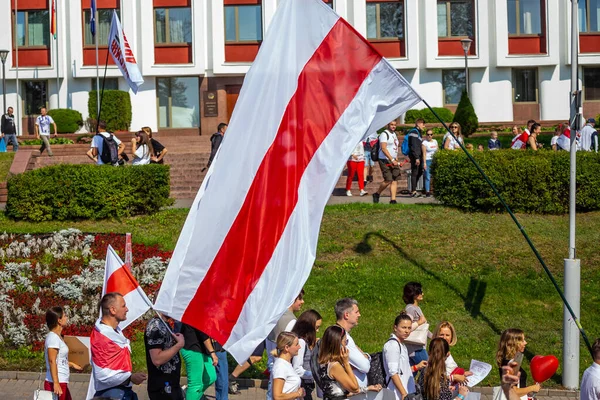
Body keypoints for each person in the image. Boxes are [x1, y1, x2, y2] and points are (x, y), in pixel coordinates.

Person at [91, 292, 147, 399]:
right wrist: (130, 378)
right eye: (123, 306)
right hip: (111, 394)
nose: (127, 309)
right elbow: (102, 375)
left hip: (121, 391)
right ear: (112, 310)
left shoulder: (114, 331)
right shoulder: (102, 337)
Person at [316, 325, 381, 399]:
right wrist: (346, 363)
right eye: (345, 342)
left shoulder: (323, 362)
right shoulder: (335, 366)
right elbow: (355, 388)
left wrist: (368, 388)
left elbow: (340, 393)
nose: (346, 345)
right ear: (338, 344)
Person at [266, 290, 305, 400]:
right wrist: (298, 394)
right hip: (279, 362)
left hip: (273, 360)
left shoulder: (275, 315)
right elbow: (278, 396)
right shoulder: (291, 321)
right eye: (300, 299)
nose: (302, 301)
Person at [383, 313, 426, 400]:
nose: (407, 331)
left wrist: (416, 367)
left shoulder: (401, 345)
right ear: (395, 328)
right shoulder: (393, 345)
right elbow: (393, 372)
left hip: (407, 392)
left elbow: (402, 370)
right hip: (397, 394)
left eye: (409, 328)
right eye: (403, 327)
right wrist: (403, 393)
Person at [44, 306, 82, 400]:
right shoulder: (53, 338)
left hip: (61, 381)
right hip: (57, 382)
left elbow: (59, 360)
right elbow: (52, 361)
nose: (66, 318)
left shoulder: (58, 337)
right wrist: (56, 383)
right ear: (59, 320)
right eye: (64, 316)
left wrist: (72, 364)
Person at [144, 315, 186, 400]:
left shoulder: (164, 323)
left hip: (171, 384)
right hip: (162, 388)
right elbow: (157, 359)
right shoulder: (155, 326)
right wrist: (179, 345)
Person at [334, 298, 371, 389]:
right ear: (346, 315)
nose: (359, 315)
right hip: (351, 392)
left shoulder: (340, 335)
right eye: (356, 312)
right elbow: (365, 366)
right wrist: (365, 356)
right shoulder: (342, 338)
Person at [495, 329, 541, 398]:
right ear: (514, 343)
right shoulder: (511, 364)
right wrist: (532, 388)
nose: (526, 343)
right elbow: (513, 392)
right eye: (522, 341)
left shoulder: (507, 361)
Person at [179, 323, 219, 400]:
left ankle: (190, 393)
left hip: (203, 348)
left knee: (211, 377)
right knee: (195, 385)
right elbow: (203, 332)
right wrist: (212, 352)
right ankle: (191, 394)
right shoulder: (197, 312)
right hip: (191, 347)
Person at [292, 310, 323, 400]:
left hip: (306, 385)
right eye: (316, 327)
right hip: (301, 386)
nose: (318, 330)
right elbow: (297, 369)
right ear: (308, 327)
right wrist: (316, 375)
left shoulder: (306, 342)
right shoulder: (301, 342)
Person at [373, 121, 401, 204]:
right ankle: (377, 193)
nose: (393, 126)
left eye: (395, 125)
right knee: (388, 179)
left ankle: (393, 200)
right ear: (388, 125)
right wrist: (392, 159)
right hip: (384, 159)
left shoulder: (394, 134)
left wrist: (396, 159)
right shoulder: (384, 134)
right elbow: (384, 148)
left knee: (395, 179)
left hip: (393, 159)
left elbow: (394, 147)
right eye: (392, 125)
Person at [271, 332, 305, 400]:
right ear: (287, 347)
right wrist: (297, 394)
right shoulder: (280, 366)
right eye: (297, 344)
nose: (299, 347)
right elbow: (277, 396)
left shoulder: (286, 364)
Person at [403, 282, 429, 369]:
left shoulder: (416, 308)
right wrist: (419, 322)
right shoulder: (410, 309)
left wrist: (435, 336)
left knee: (410, 374)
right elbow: (406, 327)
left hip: (416, 347)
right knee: (430, 370)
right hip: (416, 349)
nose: (422, 294)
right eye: (420, 292)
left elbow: (423, 329)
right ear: (414, 294)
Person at [408, 119, 425, 198]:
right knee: (415, 172)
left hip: (419, 155)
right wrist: (416, 158)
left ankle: (413, 189)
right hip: (415, 156)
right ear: (418, 124)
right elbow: (414, 146)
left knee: (420, 171)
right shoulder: (414, 132)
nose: (424, 126)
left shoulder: (418, 132)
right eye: (422, 124)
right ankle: (413, 191)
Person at [421, 129, 438, 198]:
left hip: (434, 160)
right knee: (427, 176)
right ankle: (427, 191)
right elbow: (424, 153)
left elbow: (437, 150)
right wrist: (424, 163)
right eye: (428, 134)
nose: (429, 136)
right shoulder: (424, 143)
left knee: (435, 176)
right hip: (427, 160)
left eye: (431, 134)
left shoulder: (435, 141)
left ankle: (435, 190)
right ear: (426, 135)